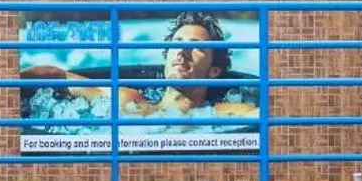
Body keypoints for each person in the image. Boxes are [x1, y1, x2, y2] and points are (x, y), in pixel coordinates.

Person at [23, 12, 256, 119]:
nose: (182, 52)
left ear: (215, 71)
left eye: (196, 47)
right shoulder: (129, 103)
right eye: (177, 44)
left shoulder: (221, 114)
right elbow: (55, 76)